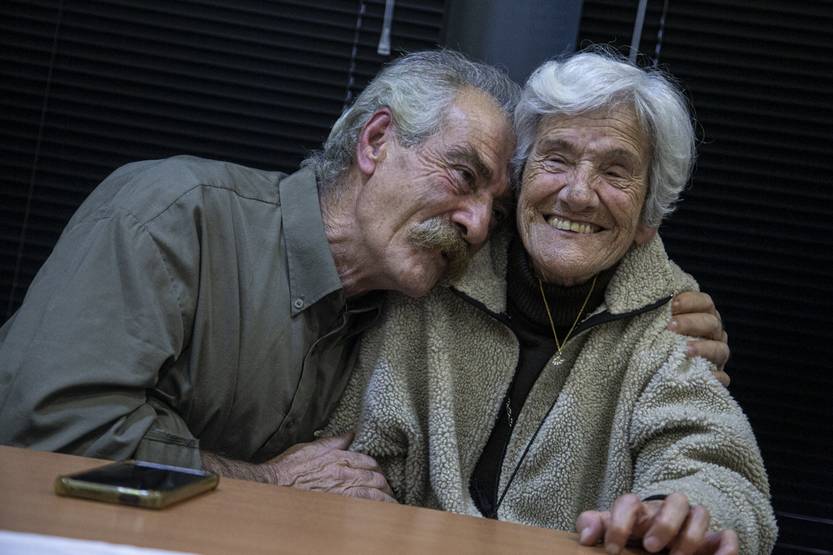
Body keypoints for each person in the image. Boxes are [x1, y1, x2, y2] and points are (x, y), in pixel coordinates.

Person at [0, 50, 726, 505]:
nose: (478, 224)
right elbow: (45, 425)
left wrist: (675, 310)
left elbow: (571, 228)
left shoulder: (412, 300)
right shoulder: (175, 212)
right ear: (376, 140)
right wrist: (265, 481)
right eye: (463, 176)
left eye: (494, 206)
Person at [325, 50, 777, 553]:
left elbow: (718, 466)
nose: (578, 194)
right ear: (519, 180)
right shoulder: (440, 269)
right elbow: (355, 448)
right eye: (556, 159)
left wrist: (678, 510)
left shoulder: (670, 323)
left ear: (648, 218)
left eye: (615, 172)